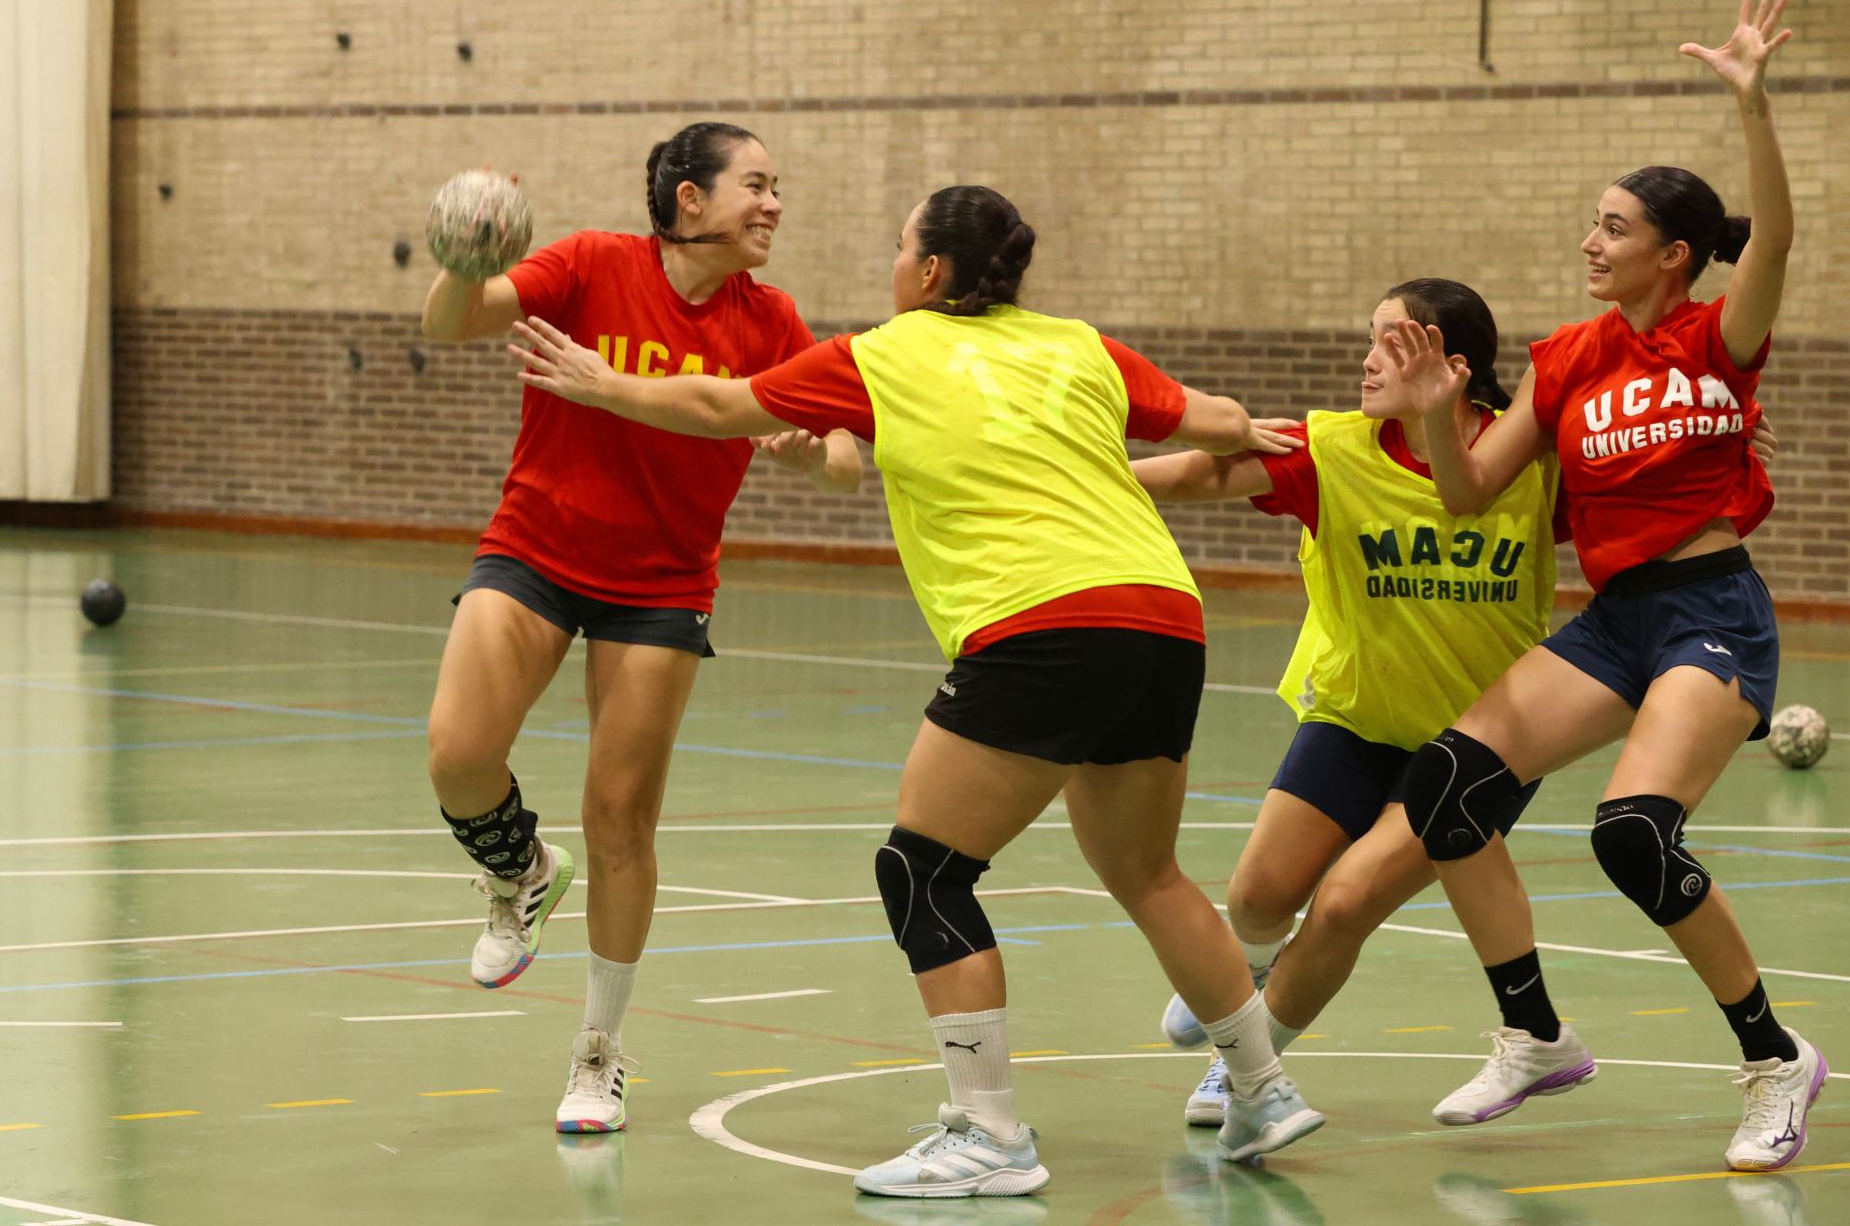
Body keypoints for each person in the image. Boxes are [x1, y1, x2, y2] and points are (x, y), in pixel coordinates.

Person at [507, 184, 1325, 1196]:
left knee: (924, 872)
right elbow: (1219, 419)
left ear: (931, 271)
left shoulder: (884, 353)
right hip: (1162, 615)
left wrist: (599, 383)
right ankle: (1263, 1085)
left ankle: (990, 1135)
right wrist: (1279, 433)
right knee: (1148, 871)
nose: (893, 262)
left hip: (1042, 622)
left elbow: (722, 403)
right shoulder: (1080, 346)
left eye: (900, 246)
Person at [1379, 0, 1825, 1171]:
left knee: (1633, 833)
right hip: (1614, 617)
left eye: (1614, 226)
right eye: (1593, 222)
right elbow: (1469, 492)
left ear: (1672, 256)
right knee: (1445, 787)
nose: (1591, 240)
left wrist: (1754, 108)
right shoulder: (1567, 357)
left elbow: (1775, 237)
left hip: (1711, 614)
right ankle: (1533, 1032)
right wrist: (1432, 418)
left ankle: (1776, 1058)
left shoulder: (1713, 339)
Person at [418, 122, 860, 1135]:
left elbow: (843, 455)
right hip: (535, 545)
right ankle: (518, 867)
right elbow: (458, 323)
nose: (774, 205)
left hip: (661, 583)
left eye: (777, 187)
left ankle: (598, 1054)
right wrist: (459, 264)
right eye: (756, 185)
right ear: (690, 200)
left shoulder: (773, 317)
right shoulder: (589, 263)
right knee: (458, 754)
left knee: (621, 820)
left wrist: (806, 450)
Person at [1134, 279, 1560, 1125]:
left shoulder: (1531, 464)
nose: (1366, 359)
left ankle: (1248, 1060)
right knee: (1256, 899)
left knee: (1345, 902)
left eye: (1391, 342)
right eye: (1368, 337)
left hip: (1478, 745)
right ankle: (1246, 976)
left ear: (1452, 366)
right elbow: (1203, 472)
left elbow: (1641, 500)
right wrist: (1089, 475)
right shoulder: (1335, 448)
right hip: (1356, 719)